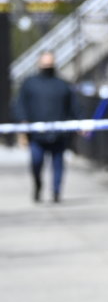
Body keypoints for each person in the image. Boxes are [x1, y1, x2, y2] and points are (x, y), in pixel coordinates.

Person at [12, 53, 78, 203]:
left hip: (59, 134)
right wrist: (23, 121)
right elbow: (20, 104)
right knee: (36, 163)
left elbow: (74, 106)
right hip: (37, 135)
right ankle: (38, 184)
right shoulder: (29, 83)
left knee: (58, 165)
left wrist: (81, 123)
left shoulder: (63, 84)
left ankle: (56, 192)